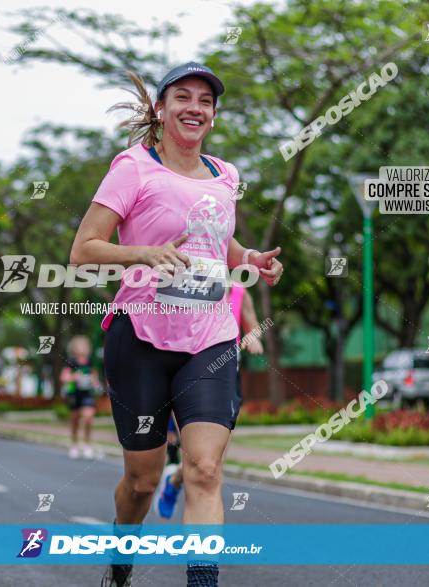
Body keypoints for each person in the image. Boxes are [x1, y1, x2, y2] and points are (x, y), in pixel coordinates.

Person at [70, 63, 283, 587]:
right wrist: (144, 252)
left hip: (209, 337)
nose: (195, 107)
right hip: (140, 337)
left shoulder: (225, 175)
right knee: (142, 482)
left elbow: (217, 238)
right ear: (161, 110)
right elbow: (82, 251)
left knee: (204, 470)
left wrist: (250, 258)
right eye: (183, 97)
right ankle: (121, 555)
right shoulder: (132, 168)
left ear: (213, 114)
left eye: (205, 100)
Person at [154, 284, 264, 519]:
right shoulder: (186, 284)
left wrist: (254, 339)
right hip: (188, 372)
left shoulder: (239, 292)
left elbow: (253, 324)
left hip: (223, 376)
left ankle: (173, 482)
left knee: (211, 462)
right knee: (201, 458)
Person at [60, 335, 101, 459]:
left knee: (89, 418)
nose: (83, 348)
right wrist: (74, 377)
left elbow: (94, 375)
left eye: (85, 345)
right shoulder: (71, 361)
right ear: (74, 348)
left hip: (87, 393)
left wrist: (95, 383)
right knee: (75, 420)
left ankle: (87, 444)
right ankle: (74, 444)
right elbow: (63, 378)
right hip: (74, 394)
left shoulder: (90, 361)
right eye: (80, 345)